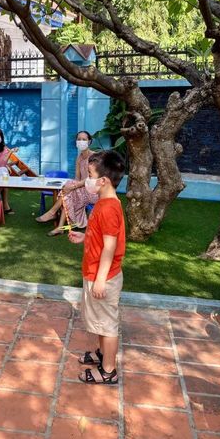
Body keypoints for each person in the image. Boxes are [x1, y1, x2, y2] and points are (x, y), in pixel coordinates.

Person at [69, 150, 126, 385]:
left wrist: (101, 279)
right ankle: (103, 355)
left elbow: (110, 247)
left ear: (103, 181)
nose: (87, 180)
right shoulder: (104, 202)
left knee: (107, 324)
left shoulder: (109, 208)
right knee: (101, 321)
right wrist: (85, 237)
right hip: (95, 271)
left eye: (90, 175)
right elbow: (102, 237)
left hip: (103, 276)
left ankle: (108, 371)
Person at [36, 131, 97, 236]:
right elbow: (77, 178)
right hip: (82, 190)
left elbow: (91, 178)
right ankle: (60, 227)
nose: (81, 141)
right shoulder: (79, 158)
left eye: (84, 139)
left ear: (89, 141)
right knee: (68, 194)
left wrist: (73, 186)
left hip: (93, 192)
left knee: (69, 189)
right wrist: (73, 186)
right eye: (79, 139)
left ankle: (52, 212)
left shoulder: (94, 156)